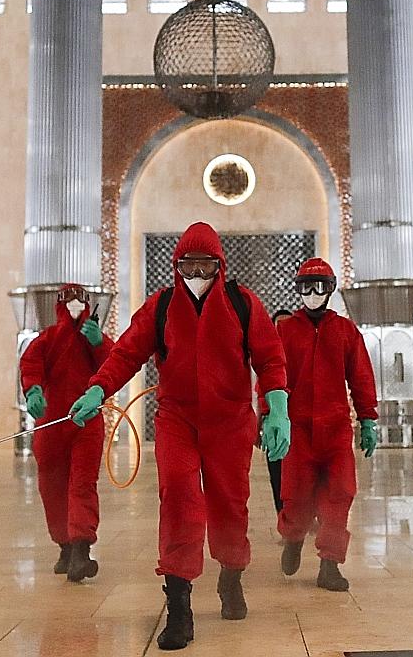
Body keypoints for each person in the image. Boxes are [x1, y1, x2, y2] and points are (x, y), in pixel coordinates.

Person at [70, 222, 289, 652]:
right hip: (177, 421)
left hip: (229, 424)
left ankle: (231, 575)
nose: (196, 272)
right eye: (187, 264)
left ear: (219, 266)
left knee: (230, 502)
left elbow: (270, 358)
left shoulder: (242, 304)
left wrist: (275, 406)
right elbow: (127, 352)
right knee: (180, 501)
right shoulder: (162, 306)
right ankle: (179, 604)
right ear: (176, 266)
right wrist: (98, 387)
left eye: (205, 264)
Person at [271, 257, 377, 592]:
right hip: (298, 430)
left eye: (320, 287)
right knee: (297, 496)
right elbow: (273, 376)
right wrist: (268, 415)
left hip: (335, 430)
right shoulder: (285, 330)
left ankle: (330, 564)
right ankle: (293, 537)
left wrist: (368, 418)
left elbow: (360, 377)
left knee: (340, 494)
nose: (313, 294)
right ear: (298, 290)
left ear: (330, 290)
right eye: (306, 287)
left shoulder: (345, 331)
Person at [19, 283, 112, 582]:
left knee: (83, 483)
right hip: (52, 425)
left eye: (80, 299)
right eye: (68, 299)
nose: (75, 305)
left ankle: (81, 548)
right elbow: (30, 364)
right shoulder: (46, 340)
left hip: (87, 423)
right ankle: (65, 545)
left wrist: (100, 344)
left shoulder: (94, 338)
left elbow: (115, 364)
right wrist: (33, 390)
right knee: (52, 487)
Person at [264, 308, 293, 514]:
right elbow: (262, 388)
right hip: (273, 421)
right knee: (278, 473)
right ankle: (283, 516)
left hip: (300, 422)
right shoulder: (267, 357)